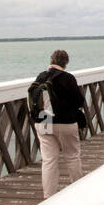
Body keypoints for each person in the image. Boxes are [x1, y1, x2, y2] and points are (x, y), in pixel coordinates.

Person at [30, 49, 86, 197]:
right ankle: (78, 191)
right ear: (66, 63)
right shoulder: (68, 78)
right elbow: (79, 101)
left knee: (49, 160)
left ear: (51, 60)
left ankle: (49, 196)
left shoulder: (41, 77)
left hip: (44, 120)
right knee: (72, 156)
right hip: (65, 122)